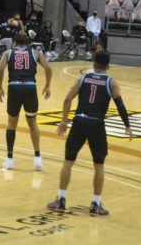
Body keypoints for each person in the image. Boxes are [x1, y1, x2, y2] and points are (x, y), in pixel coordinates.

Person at [47, 51, 132, 216]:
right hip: (96, 123)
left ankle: (61, 199)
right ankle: (95, 204)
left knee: (68, 161)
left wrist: (64, 121)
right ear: (108, 66)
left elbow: (67, 99)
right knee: (98, 165)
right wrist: (127, 125)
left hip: (79, 121)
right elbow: (120, 105)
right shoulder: (111, 83)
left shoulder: (83, 78)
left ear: (93, 63)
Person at [0, 33, 52, 170]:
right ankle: (37, 159)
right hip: (30, 88)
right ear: (28, 43)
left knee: (11, 123)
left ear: (14, 43)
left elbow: (0, 70)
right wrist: (47, 85)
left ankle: (9, 159)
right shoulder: (36, 53)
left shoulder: (8, 53)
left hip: (14, 88)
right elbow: (49, 68)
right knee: (32, 123)